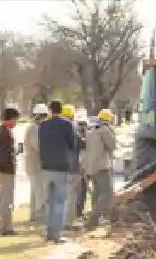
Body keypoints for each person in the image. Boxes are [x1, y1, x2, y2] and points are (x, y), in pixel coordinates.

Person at [37, 100, 78, 244]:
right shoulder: (67, 124)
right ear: (61, 110)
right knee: (60, 202)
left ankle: (49, 232)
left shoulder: (42, 125)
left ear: (50, 110)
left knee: (49, 201)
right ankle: (57, 234)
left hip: (46, 166)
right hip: (61, 167)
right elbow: (73, 144)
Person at [84, 109, 117, 228]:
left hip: (91, 166)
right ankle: (94, 217)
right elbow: (112, 145)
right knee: (107, 192)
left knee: (97, 192)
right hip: (102, 165)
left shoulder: (91, 130)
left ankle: (95, 220)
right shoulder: (104, 130)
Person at [0, 107, 20, 236]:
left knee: (6, 199)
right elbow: (4, 154)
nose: (16, 123)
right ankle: (5, 228)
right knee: (6, 200)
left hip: (2, 170)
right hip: (5, 171)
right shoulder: (5, 133)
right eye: (15, 120)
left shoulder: (2, 131)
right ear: (11, 119)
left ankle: (6, 225)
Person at [23, 104, 48, 223]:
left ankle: (33, 215)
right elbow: (38, 146)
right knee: (40, 192)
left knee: (34, 191)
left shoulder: (35, 127)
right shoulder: (34, 128)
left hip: (33, 164)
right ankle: (39, 216)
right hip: (35, 164)